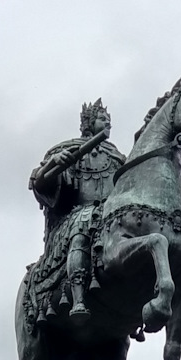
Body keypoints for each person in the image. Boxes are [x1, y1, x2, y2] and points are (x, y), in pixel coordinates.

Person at [28, 99, 124, 320]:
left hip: (110, 215)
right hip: (76, 217)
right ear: (89, 123)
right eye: (102, 118)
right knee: (84, 220)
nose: (108, 122)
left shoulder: (116, 157)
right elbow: (40, 182)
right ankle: (78, 297)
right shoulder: (67, 149)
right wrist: (53, 163)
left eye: (109, 120)